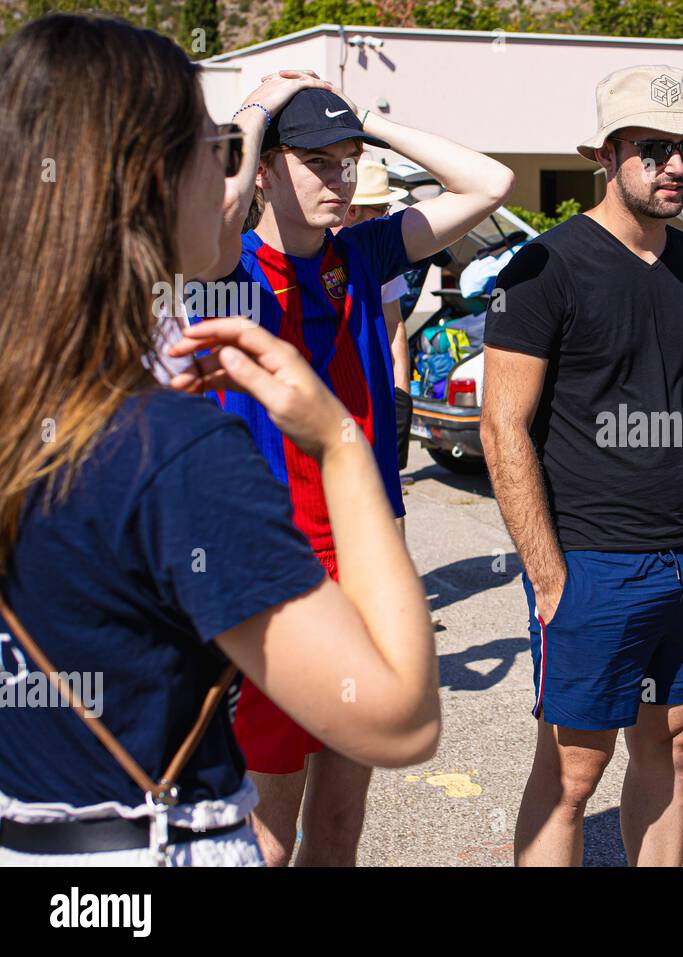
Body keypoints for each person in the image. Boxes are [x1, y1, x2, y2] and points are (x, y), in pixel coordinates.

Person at [0, 14, 438, 866]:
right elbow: (401, 715)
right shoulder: (170, 449)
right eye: (217, 145)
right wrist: (342, 445)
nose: (231, 170)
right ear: (156, 180)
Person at [196, 74, 512, 866]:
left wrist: (366, 121)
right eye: (318, 162)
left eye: (348, 162)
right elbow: (223, 203)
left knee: (340, 827)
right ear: (264, 168)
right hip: (268, 575)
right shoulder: (219, 262)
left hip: (364, 568)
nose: (340, 179)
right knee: (265, 832)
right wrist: (260, 108)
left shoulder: (363, 254)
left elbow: (491, 183)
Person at [482, 65, 683, 867]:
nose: (676, 165)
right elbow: (502, 428)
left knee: (671, 751)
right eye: (654, 149)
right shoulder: (545, 268)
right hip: (593, 561)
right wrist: (548, 575)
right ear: (607, 155)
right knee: (573, 771)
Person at [334, 159, 415, 474]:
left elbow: (394, 323)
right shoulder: (314, 251)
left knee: (388, 498)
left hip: (376, 396)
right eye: (381, 210)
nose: (387, 218)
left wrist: (401, 394)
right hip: (332, 401)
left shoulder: (380, 256)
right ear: (354, 212)